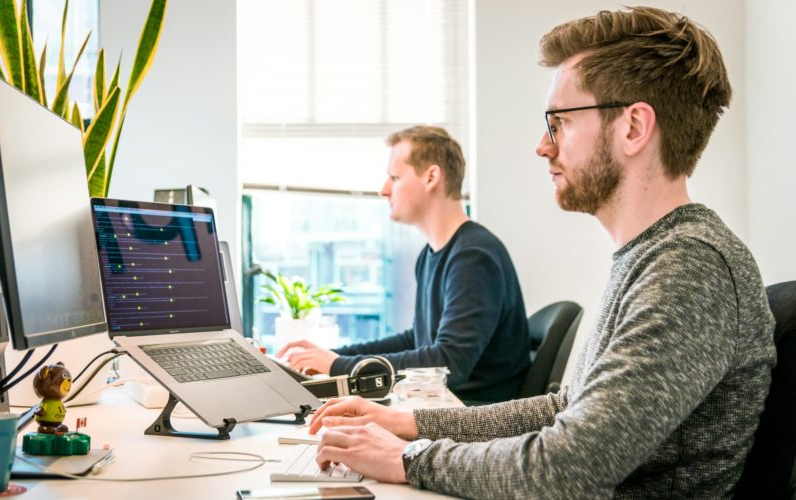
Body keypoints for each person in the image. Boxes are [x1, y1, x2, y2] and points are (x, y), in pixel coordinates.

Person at [305, 7, 777, 498]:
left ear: (633, 127)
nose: (542, 146)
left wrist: (405, 457)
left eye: (559, 123)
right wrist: (408, 422)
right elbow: (566, 408)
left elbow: (567, 466)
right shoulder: (654, 256)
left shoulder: (689, 267)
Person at [277, 125, 531, 404]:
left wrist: (339, 367)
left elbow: (448, 364)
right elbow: (417, 340)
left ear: (431, 177)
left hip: (472, 417)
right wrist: (335, 357)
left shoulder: (473, 257)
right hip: (443, 406)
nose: (384, 190)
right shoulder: (432, 255)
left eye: (395, 177)